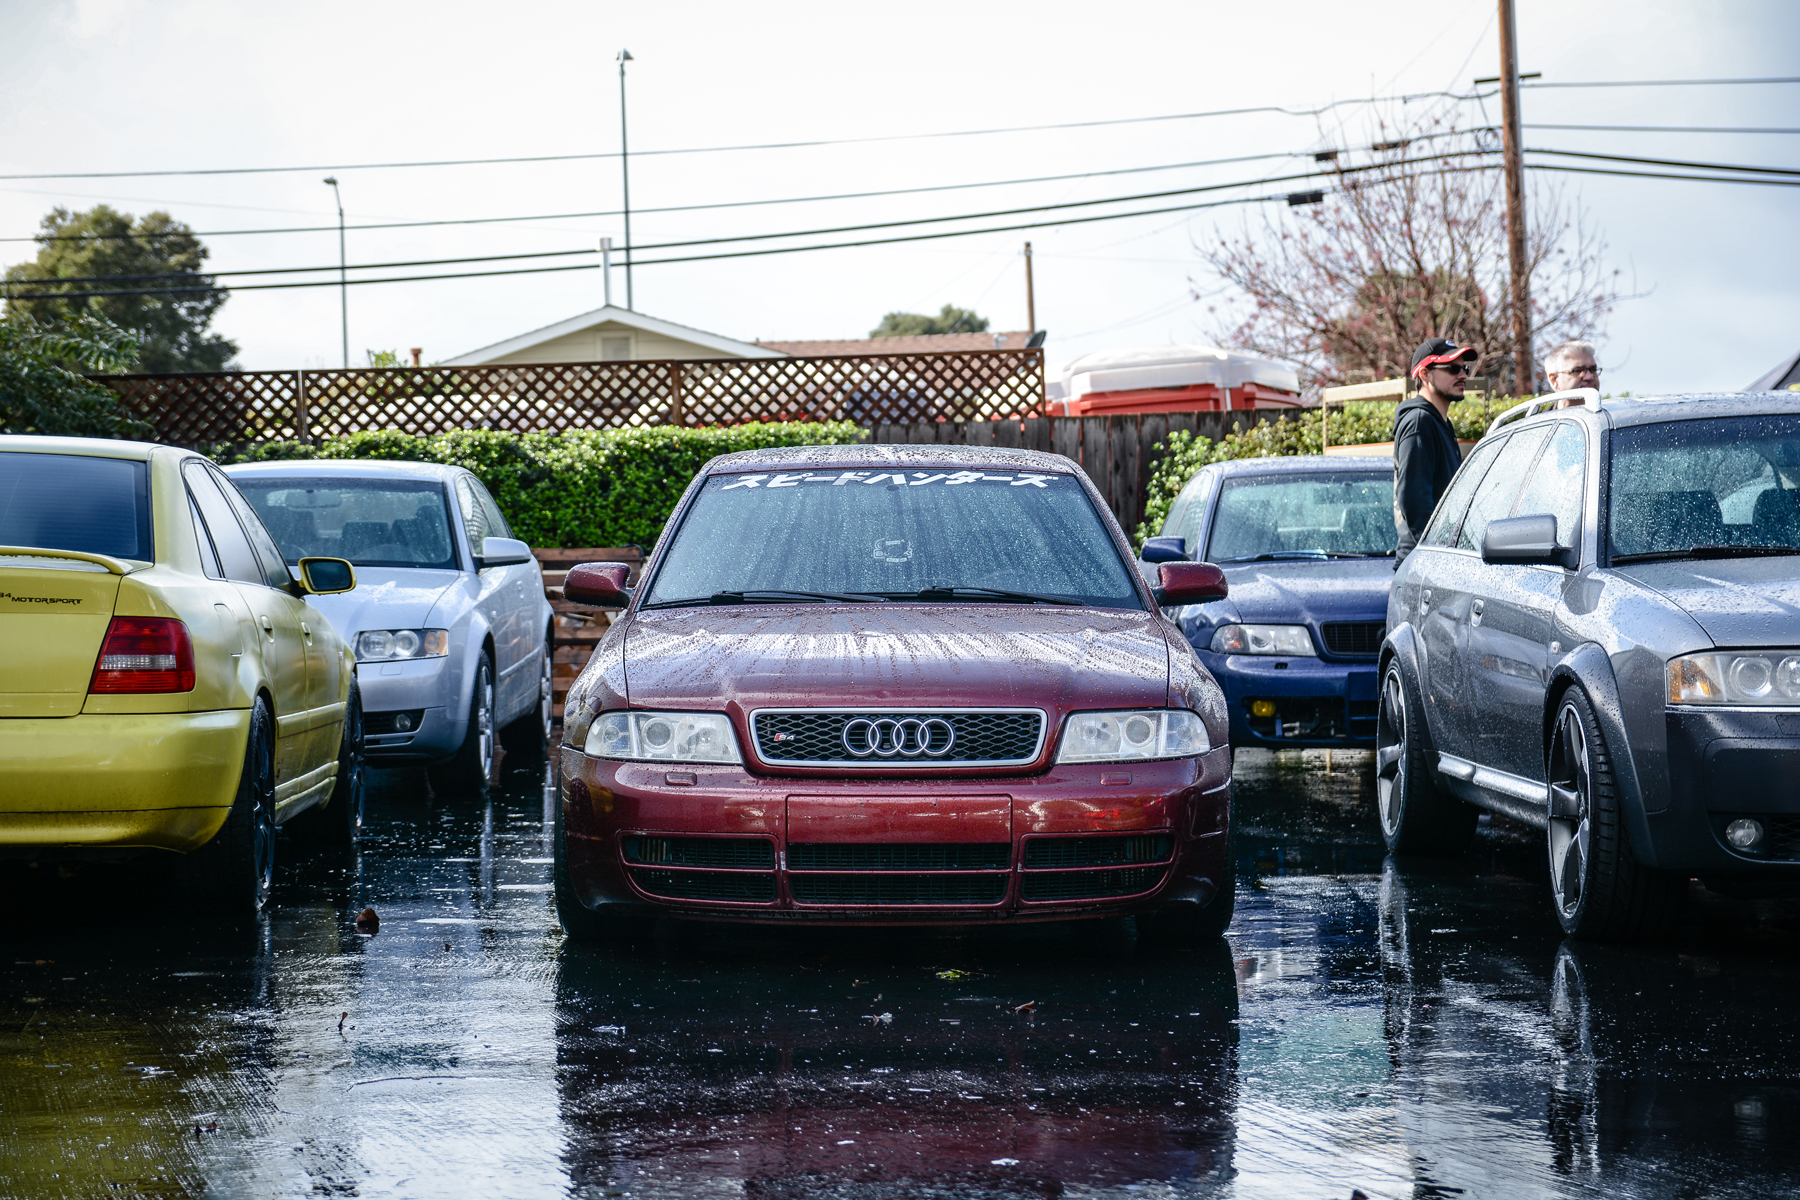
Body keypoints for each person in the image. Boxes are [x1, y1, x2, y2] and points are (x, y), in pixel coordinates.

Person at [1393, 337, 1477, 564]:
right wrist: (1437, 558)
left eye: (1465, 368)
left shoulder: (1440, 423)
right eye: (1452, 368)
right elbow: (1414, 501)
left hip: (1437, 562)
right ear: (1424, 375)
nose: (1463, 375)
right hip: (1424, 567)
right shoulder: (1420, 422)